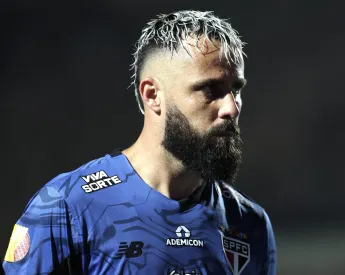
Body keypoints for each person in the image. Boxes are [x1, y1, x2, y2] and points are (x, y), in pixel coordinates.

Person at [2, 10, 276, 275]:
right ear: (153, 94)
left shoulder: (250, 224)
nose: (232, 107)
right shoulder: (66, 207)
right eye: (210, 89)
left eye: (235, 90)